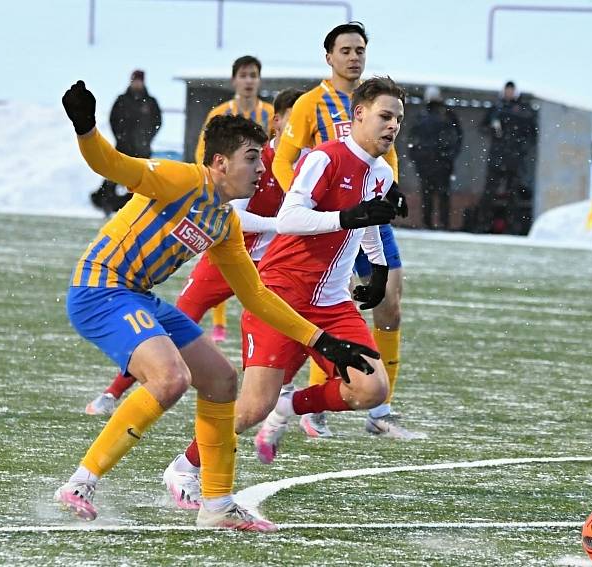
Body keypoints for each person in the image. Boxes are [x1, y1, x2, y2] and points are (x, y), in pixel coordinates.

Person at [56, 80, 379, 531]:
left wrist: (324, 342)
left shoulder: (224, 220)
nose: (262, 170)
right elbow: (111, 163)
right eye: (253, 159)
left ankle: (217, 505)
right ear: (220, 162)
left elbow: (257, 297)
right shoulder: (180, 178)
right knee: (170, 379)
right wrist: (86, 127)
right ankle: (81, 482)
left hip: (139, 296)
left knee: (224, 382)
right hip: (100, 288)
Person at [164, 77, 404, 509]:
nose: (392, 127)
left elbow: (369, 220)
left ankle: (290, 407)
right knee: (251, 407)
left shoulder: (382, 171)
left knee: (370, 390)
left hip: (330, 302)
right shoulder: (324, 158)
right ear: (359, 115)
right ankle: (184, 466)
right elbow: (291, 218)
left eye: (399, 120)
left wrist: (380, 270)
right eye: (385, 116)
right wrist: (345, 218)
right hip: (279, 296)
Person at [84, 88, 304, 417]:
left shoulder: (310, 164)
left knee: (298, 322)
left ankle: (293, 396)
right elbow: (234, 212)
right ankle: (114, 391)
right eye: (296, 118)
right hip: (220, 258)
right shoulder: (254, 160)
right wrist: (281, 224)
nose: (303, 126)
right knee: (171, 332)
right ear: (279, 121)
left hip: (265, 263)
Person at [272, 21, 418, 440]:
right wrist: (304, 203)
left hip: (370, 214)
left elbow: (381, 165)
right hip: (327, 220)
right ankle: (313, 403)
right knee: (324, 300)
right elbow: (286, 160)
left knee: (389, 301)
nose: (354, 57)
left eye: (360, 50)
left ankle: (380, 408)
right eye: (346, 50)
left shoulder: (380, 99)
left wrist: (393, 193)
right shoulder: (309, 104)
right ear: (329, 56)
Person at [194, 55, 275, 344]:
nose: (249, 81)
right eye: (244, 75)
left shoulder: (270, 113)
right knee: (220, 251)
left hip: (261, 192)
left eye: (254, 75)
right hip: (227, 191)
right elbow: (204, 152)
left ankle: (260, 321)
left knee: (256, 258)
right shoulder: (220, 113)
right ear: (234, 80)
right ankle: (217, 322)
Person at [90, 70, 161, 215]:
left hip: (142, 150)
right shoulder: (122, 100)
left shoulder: (150, 102)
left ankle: (136, 208)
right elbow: (113, 119)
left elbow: (157, 122)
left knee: (140, 180)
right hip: (123, 147)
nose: (137, 83)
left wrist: (146, 139)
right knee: (113, 176)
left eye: (139, 81)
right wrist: (120, 137)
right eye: (134, 80)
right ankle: (106, 203)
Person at [476, 81, 537, 235]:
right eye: (507, 90)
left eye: (511, 91)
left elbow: (531, 134)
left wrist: (520, 148)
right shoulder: (497, 108)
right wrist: (493, 129)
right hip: (497, 157)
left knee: (513, 195)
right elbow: (482, 127)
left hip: (514, 160)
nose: (509, 93)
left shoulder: (522, 110)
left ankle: (512, 227)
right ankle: (483, 225)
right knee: (489, 193)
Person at [408, 86, 463, 229]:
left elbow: (456, 138)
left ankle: (437, 223)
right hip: (432, 162)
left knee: (436, 194)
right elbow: (413, 140)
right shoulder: (427, 116)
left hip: (437, 162)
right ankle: (433, 223)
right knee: (432, 195)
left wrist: (448, 155)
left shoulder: (443, 116)